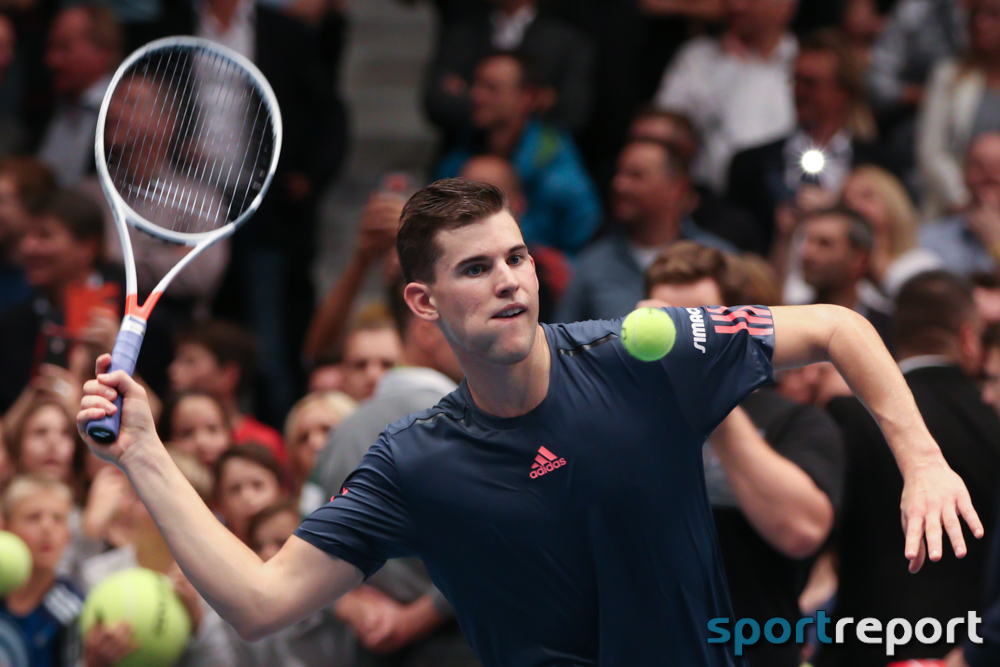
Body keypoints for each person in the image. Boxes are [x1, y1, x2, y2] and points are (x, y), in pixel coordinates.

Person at [76, 178, 982, 667]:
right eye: (478, 269)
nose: (511, 279)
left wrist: (925, 461)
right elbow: (261, 603)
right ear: (424, 301)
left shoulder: (640, 354)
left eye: (516, 256)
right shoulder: (412, 464)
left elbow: (839, 326)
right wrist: (147, 455)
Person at [641, 241, 843, 667]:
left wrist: (710, 401)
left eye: (697, 322)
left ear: (735, 327)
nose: (679, 339)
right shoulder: (617, 420)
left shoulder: (797, 422)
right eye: (665, 321)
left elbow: (802, 531)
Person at [818, 271, 1000, 667]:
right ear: (968, 336)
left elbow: (817, 533)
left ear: (894, 338)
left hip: (863, 644)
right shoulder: (993, 418)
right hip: (968, 646)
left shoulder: (849, 414)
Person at [727, 29, 886, 255]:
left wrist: (839, 210)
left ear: (845, 93)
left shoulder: (878, 165)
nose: (799, 92)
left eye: (811, 83)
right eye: (796, 81)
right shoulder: (750, 165)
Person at [435, 51, 602, 255]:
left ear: (527, 97)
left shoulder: (561, 177)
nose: (476, 96)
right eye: (476, 85)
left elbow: (589, 251)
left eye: (491, 88)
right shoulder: (457, 158)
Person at [556, 139, 734, 323]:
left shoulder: (720, 261)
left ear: (676, 188)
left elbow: (748, 340)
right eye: (619, 173)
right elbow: (564, 343)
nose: (619, 185)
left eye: (636, 176)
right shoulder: (593, 264)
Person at [654, 0, 800, 193]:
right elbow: (666, 128)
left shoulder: (803, 63)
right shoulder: (697, 58)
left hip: (784, 192)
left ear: (785, 5)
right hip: (709, 194)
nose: (736, 7)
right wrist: (729, 69)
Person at [423, 0, 594, 138]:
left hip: (534, 158)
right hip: (465, 151)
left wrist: (468, 95)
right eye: (479, 88)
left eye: (491, 89)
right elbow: (437, 101)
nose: (480, 96)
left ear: (528, 96)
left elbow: (573, 112)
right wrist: (516, 104)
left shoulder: (566, 40)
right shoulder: (464, 30)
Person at [917, 0, 1000, 216]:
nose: (982, 23)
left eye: (993, 15)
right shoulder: (948, 76)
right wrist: (964, 200)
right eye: (976, 15)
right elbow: (931, 152)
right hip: (953, 209)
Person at [168, 321, 286, 462]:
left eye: (190, 361)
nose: (173, 370)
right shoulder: (163, 430)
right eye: (186, 433)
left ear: (228, 375)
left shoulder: (264, 442)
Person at [0, 475, 83, 667]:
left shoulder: (73, 611)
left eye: (58, 519)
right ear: (5, 528)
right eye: (33, 517)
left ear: (68, 535)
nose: (47, 528)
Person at [36, 4, 121, 186]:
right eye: (51, 48)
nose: (52, 60)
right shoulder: (47, 104)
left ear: (103, 52)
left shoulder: (123, 114)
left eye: (64, 48)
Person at [797, 206, 895, 345]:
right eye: (807, 241)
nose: (807, 253)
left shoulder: (889, 329)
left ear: (859, 259)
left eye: (825, 244)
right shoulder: (788, 322)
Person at [921, 131, 1000, 275]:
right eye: (978, 166)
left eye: (997, 166)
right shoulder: (931, 238)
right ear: (963, 173)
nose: (988, 175)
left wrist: (996, 243)